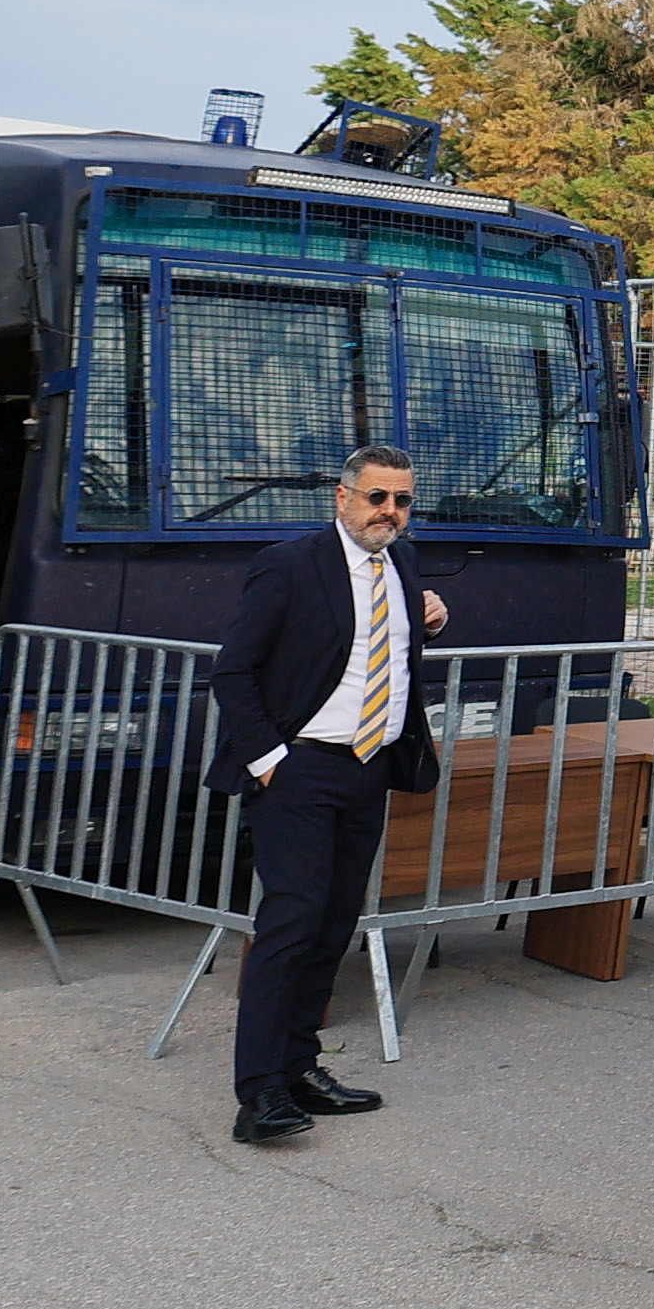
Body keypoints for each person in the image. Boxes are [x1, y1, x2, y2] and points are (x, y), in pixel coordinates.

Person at [202, 444, 450, 1145]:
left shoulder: (402, 562)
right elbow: (234, 672)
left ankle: (300, 1068)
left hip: (368, 767)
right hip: (300, 771)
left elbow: (384, 649)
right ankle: (259, 1095)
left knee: (334, 922)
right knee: (291, 922)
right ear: (342, 499)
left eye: (402, 500)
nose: (390, 512)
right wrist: (270, 762)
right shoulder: (289, 564)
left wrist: (431, 619)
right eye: (377, 498)